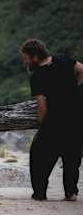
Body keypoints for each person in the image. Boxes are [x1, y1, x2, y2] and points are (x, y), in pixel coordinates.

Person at [20, 38, 83, 201]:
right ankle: (71, 193)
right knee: (72, 157)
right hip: (77, 117)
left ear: (35, 57)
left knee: (38, 156)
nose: (25, 62)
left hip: (54, 121)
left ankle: (40, 193)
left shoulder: (37, 76)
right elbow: (82, 70)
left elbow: (42, 107)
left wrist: (41, 123)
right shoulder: (63, 59)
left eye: (26, 58)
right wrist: (76, 88)